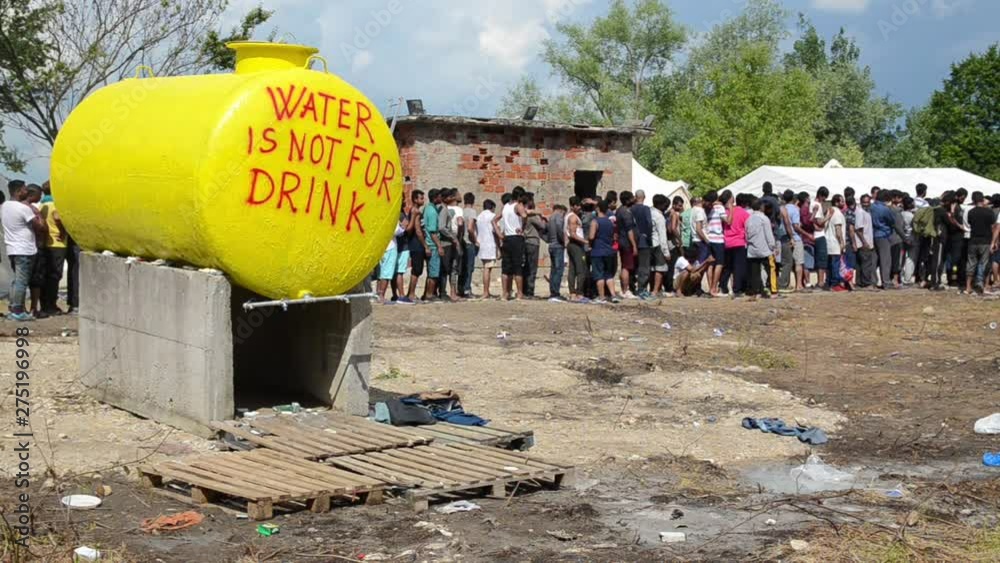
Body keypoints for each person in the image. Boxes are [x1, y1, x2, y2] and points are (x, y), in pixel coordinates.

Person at [2, 182, 44, 321]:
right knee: (21, 281)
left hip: (12, 248)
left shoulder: (5, 206)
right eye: (25, 189)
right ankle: (18, 311)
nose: (27, 191)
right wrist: (40, 217)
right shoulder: (23, 209)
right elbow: (39, 227)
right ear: (19, 191)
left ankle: (13, 307)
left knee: (16, 280)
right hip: (24, 249)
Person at [38, 181, 67, 316]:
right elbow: (57, 218)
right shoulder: (54, 204)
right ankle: (51, 305)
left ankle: (44, 304)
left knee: (47, 276)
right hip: (57, 243)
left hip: (46, 244)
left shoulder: (41, 205)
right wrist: (62, 232)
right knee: (55, 276)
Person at [496, 186, 528, 300]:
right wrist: (522, 227)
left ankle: (505, 293)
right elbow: (524, 215)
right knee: (517, 267)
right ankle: (519, 293)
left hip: (507, 238)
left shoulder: (505, 207)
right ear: (519, 196)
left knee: (506, 268)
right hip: (516, 238)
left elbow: (494, 220)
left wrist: (499, 234)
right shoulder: (518, 206)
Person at [745, 197, 776, 300]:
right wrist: (773, 247)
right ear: (761, 207)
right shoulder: (764, 219)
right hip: (765, 250)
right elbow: (769, 235)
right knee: (771, 269)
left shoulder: (748, 219)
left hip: (752, 250)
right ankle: (773, 291)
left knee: (755, 272)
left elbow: (746, 235)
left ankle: (756, 291)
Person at [589, 199, 619, 303]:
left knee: (599, 275)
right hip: (609, 251)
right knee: (609, 275)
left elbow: (591, 236)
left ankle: (601, 297)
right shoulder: (610, 222)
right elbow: (614, 235)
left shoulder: (595, 221)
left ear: (597, 208)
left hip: (597, 251)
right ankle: (613, 295)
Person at [966, 191, 993, 294]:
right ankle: (985, 285)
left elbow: (969, 223)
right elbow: (992, 225)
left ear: (973, 200)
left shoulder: (971, 212)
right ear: (982, 199)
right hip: (985, 240)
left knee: (971, 263)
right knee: (985, 263)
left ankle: (968, 286)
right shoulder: (989, 212)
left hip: (973, 240)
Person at [376, 211, 406, 303]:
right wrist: (404, 227)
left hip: (382, 246)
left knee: (382, 273)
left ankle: (379, 294)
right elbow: (395, 231)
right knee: (386, 273)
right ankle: (381, 295)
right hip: (390, 246)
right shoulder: (390, 216)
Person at [723, 192, 750, 296]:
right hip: (739, 242)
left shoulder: (724, 212)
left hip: (727, 243)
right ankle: (737, 289)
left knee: (728, 267)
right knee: (739, 268)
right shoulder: (742, 212)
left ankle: (723, 287)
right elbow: (748, 225)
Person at [870, 189, 896, 290]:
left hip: (873, 234)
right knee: (885, 260)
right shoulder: (885, 209)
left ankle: (873, 281)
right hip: (883, 235)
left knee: (874, 260)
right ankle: (886, 282)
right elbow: (891, 221)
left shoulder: (871, 207)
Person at [421, 189, 444, 301]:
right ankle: (430, 295)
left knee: (431, 271)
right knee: (434, 272)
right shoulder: (432, 212)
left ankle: (427, 293)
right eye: (440, 196)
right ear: (435, 198)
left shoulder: (428, 208)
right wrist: (439, 246)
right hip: (433, 245)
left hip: (429, 244)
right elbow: (433, 231)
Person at [565, 197, 589, 303]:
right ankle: (578, 293)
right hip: (576, 245)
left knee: (573, 269)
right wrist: (585, 241)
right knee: (580, 270)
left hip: (572, 245)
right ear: (573, 206)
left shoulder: (569, 216)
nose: (579, 208)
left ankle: (573, 293)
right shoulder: (573, 218)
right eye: (577, 206)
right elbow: (573, 234)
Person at [405, 190, 427, 303]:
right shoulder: (416, 212)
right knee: (417, 270)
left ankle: (410, 293)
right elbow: (418, 230)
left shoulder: (415, 211)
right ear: (415, 199)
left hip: (415, 244)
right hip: (417, 245)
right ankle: (412, 294)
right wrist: (425, 246)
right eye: (421, 198)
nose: (423, 200)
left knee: (417, 270)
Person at [473, 199, 499, 299]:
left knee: (486, 267)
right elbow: (496, 231)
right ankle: (485, 292)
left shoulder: (479, 217)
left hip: (482, 244)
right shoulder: (492, 216)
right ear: (492, 207)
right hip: (490, 245)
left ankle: (486, 291)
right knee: (487, 269)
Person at [615, 191, 638, 298]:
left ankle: (624, 289)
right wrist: (633, 245)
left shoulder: (619, 210)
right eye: (632, 198)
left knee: (625, 265)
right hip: (626, 243)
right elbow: (629, 231)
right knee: (626, 267)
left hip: (621, 241)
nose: (634, 199)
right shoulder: (626, 213)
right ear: (628, 200)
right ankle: (625, 290)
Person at [780, 190, 804, 292]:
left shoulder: (781, 209)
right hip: (796, 238)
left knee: (788, 262)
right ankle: (798, 285)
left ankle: (786, 283)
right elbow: (795, 225)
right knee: (798, 262)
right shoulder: (795, 209)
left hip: (784, 238)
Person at [631, 190, 653, 299]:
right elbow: (649, 223)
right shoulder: (646, 209)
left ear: (636, 197)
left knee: (633, 265)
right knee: (644, 266)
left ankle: (631, 287)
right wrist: (648, 236)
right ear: (644, 197)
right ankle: (642, 288)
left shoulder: (631, 209)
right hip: (644, 241)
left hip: (632, 240)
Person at [522, 196, 546, 298]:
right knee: (532, 268)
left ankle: (524, 290)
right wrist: (542, 218)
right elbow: (543, 226)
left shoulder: (523, 215)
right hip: (533, 242)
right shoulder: (532, 217)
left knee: (526, 267)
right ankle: (530, 291)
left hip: (525, 241)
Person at [704, 191, 726, 296]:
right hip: (718, 238)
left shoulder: (706, 209)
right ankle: (714, 288)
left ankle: (710, 288)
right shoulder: (720, 208)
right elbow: (727, 221)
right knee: (719, 263)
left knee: (710, 263)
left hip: (708, 238)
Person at [825, 194, 848, 291]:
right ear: (836, 202)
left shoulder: (829, 212)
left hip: (829, 242)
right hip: (835, 243)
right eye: (842, 201)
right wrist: (842, 242)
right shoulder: (837, 213)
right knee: (835, 264)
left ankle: (830, 283)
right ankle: (835, 284)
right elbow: (838, 229)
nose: (843, 203)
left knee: (830, 264)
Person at [810, 187, 831, 290]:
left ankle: (820, 281)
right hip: (820, 235)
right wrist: (828, 216)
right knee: (822, 259)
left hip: (817, 234)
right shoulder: (817, 205)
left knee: (820, 258)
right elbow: (819, 222)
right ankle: (821, 282)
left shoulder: (812, 204)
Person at [650, 194, 671, 297]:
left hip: (649, 244)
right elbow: (662, 235)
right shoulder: (659, 216)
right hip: (657, 244)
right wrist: (666, 252)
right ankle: (655, 290)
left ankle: (652, 288)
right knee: (660, 268)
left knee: (652, 268)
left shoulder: (649, 212)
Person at [546, 203, 567, 300]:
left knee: (553, 269)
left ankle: (553, 291)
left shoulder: (550, 218)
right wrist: (564, 240)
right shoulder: (558, 216)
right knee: (558, 270)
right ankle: (555, 293)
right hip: (558, 246)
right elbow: (559, 228)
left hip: (551, 245)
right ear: (561, 210)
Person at [855, 195, 877, 289]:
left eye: (868, 202)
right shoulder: (860, 212)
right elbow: (859, 229)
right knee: (866, 264)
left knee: (861, 264)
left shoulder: (867, 211)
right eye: (864, 202)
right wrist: (864, 242)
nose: (866, 204)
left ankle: (860, 283)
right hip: (864, 242)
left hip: (866, 241)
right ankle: (867, 283)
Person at [459, 192, 478, 298]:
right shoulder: (472, 212)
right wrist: (475, 240)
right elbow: (470, 228)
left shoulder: (461, 211)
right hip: (469, 242)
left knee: (462, 267)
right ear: (473, 201)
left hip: (461, 241)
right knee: (469, 267)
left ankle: (460, 288)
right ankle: (467, 289)